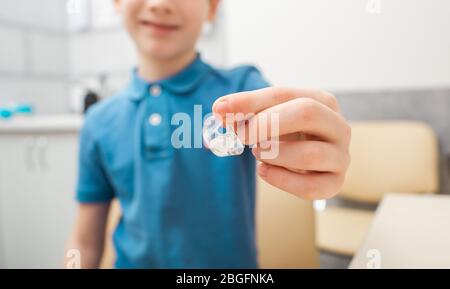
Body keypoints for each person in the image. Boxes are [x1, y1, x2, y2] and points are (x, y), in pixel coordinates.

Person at [65, 0, 351, 269]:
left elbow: (289, 133)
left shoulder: (242, 88)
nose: (160, 4)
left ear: (212, 6)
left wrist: (314, 152)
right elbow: (84, 242)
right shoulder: (98, 122)